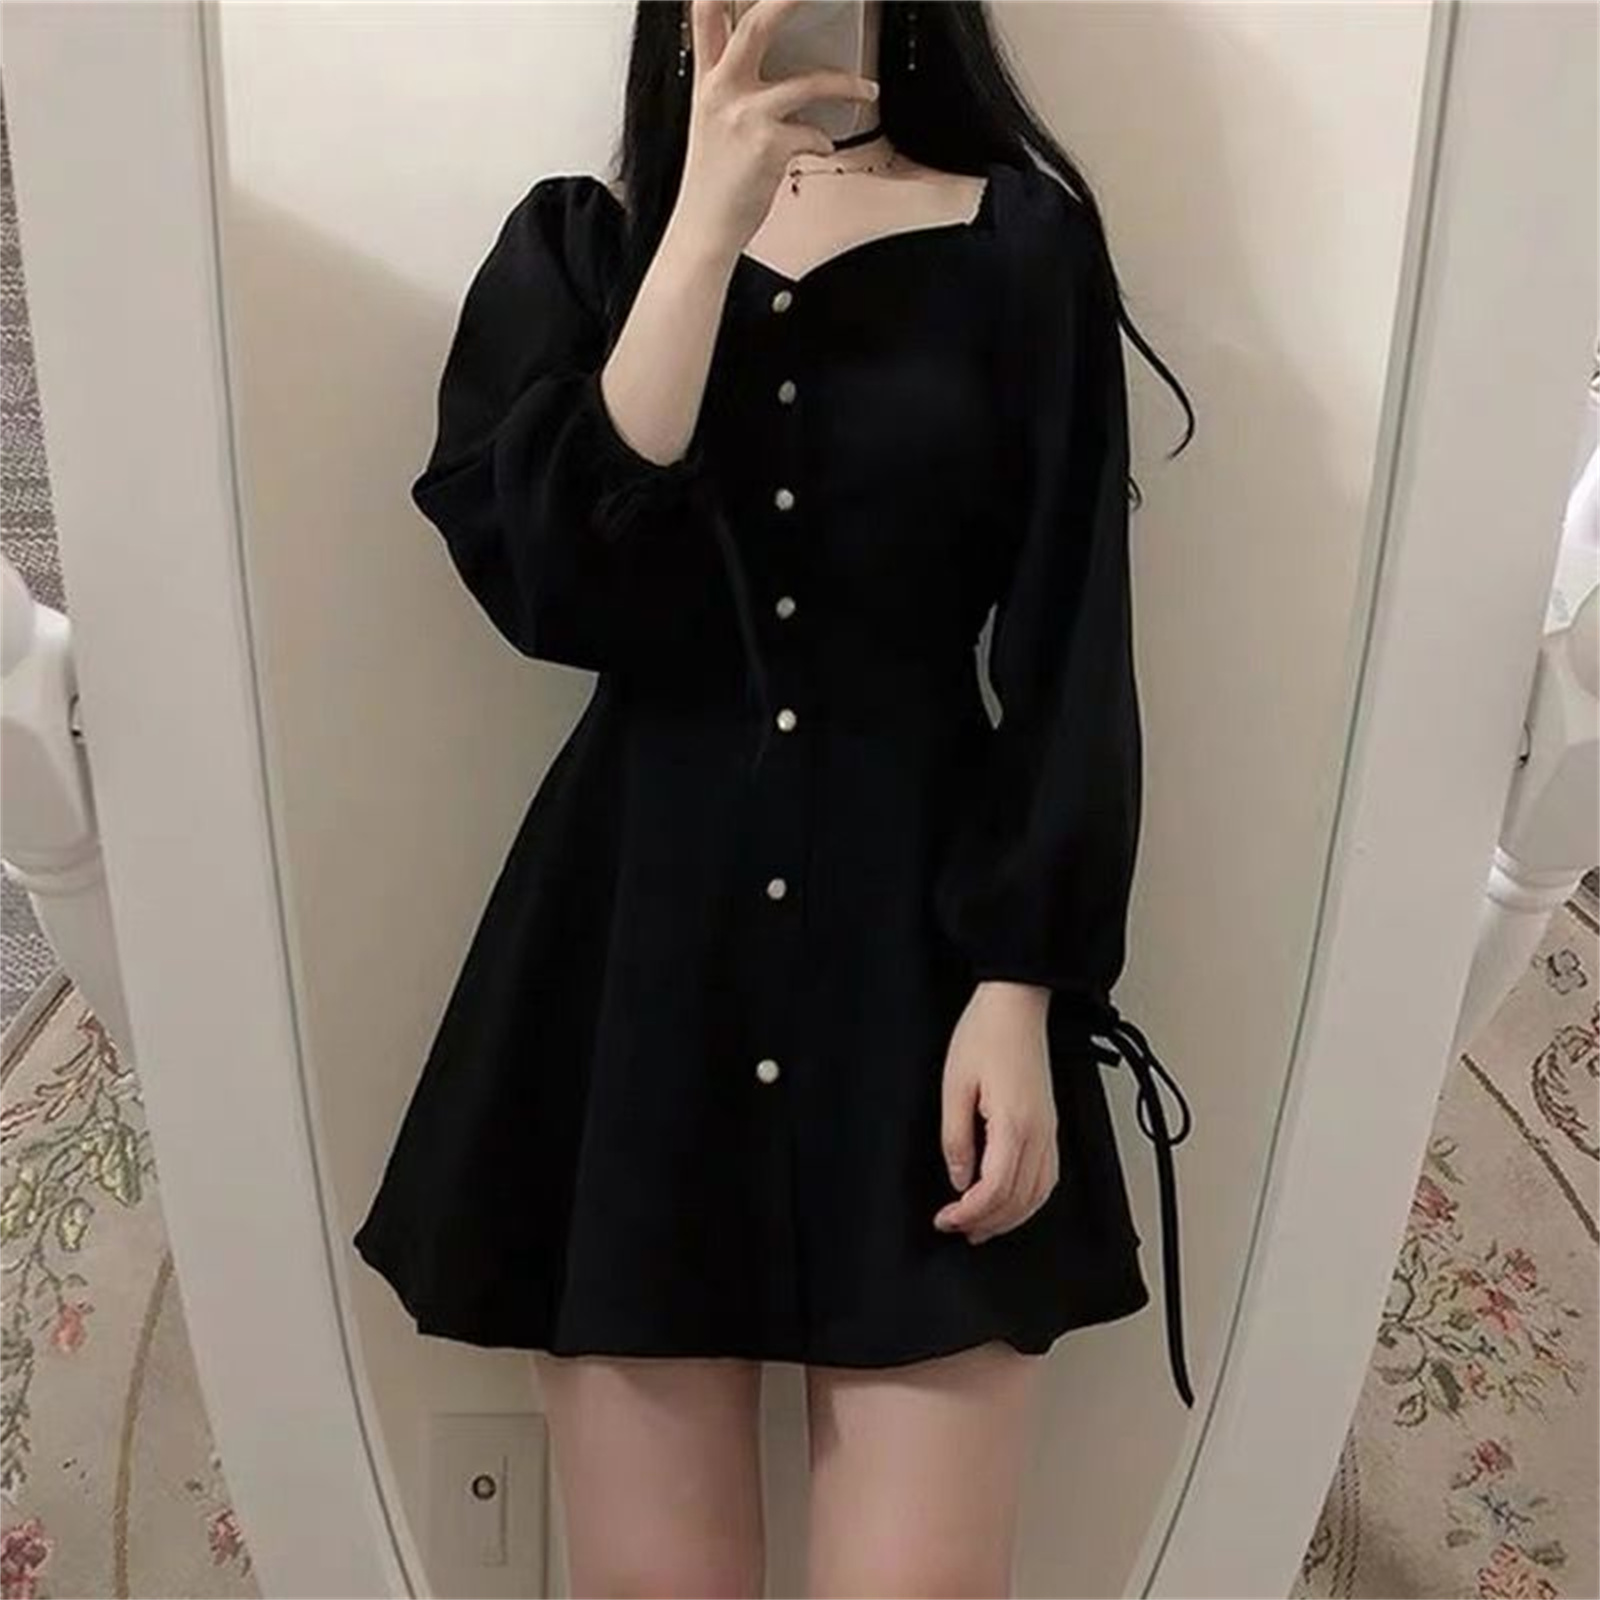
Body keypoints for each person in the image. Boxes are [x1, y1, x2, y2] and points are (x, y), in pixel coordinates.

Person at [353, 0, 1199, 1591]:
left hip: (920, 973)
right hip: (633, 980)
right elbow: (556, 590)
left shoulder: (1022, 246)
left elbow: (1073, 640)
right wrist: (702, 228)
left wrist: (1023, 984)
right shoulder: (585, 251)